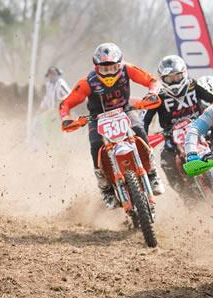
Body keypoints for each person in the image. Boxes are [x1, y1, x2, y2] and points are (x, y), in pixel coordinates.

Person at [59, 42, 165, 209]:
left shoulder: (128, 69)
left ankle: (152, 173)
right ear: (96, 67)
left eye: (112, 67)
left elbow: (152, 80)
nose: (108, 72)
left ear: (120, 64)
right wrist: (66, 118)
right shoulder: (87, 82)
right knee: (96, 145)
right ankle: (106, 189)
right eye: (104, 69)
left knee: (139, 130)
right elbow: (65, 103)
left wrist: (152, 93)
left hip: (124, 111)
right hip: (97, 118)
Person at [143, 55, 213, 196]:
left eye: (177, 76)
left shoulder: (193, 85)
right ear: (162, 79)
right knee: (166, 161)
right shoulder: (159, 96)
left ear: (184, 73)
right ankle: (185, 194)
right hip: (172, 135)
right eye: (169, 79)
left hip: (199, 126)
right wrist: (143, 137)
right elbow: (145, 120)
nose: (174, 81)